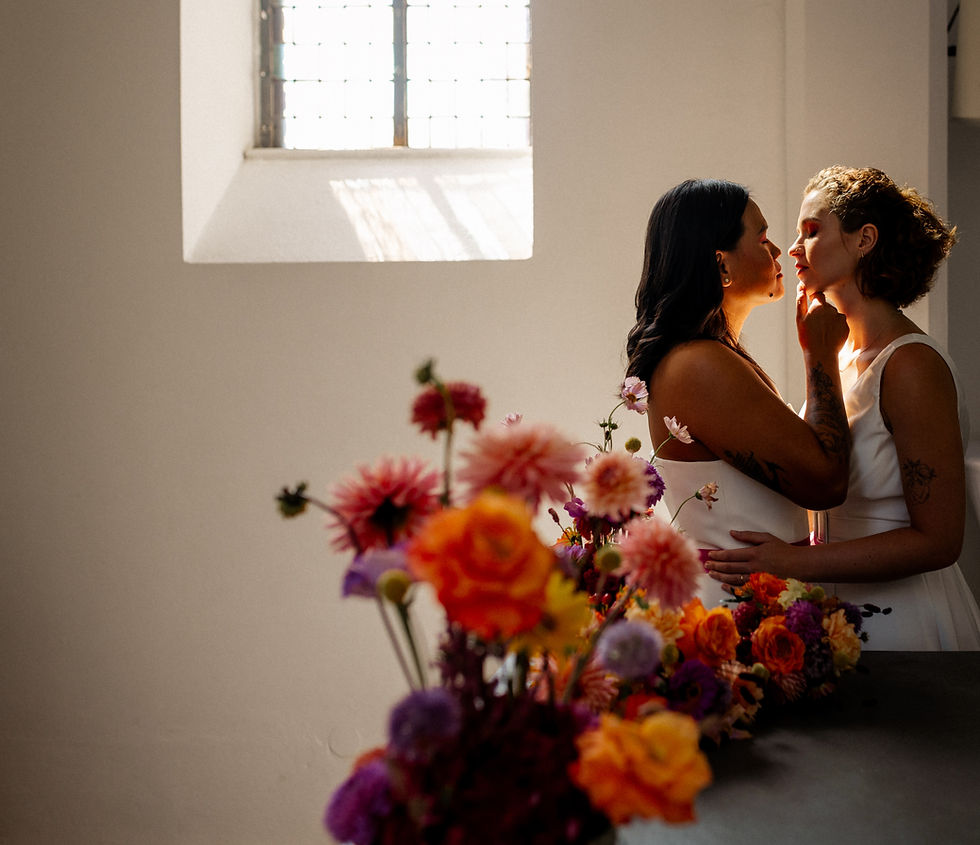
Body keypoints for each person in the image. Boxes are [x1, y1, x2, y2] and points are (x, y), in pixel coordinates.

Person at [706, 166, 980, 650]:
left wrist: (793, 563)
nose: (792, 249)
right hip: (835, 624)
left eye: (811, 232)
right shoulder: (841, 355)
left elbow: (940, 541)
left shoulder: (911, 364)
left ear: (864, 240)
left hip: (909, 626)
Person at [624, 178, 852, 608]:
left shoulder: (716, 356)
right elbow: (825, 482)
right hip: (729, 612)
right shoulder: (698, 365)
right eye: (763, 238)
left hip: (755, 600)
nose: (779, 251)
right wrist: (820, 355)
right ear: (722, 265)